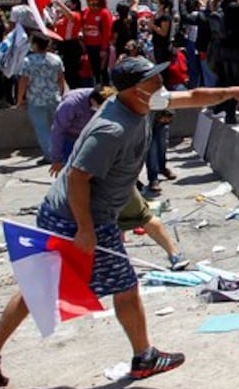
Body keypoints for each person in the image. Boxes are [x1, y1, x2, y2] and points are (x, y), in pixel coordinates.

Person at [0, 57, 239, 388]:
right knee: (124, 286)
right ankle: (144, 357)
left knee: (40, 287)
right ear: (134, 89)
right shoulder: (111, 129)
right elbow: (77, 177)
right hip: (80, 217)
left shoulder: (140, 102)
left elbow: (192, 96)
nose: (161, 85)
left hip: (68, 214)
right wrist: (85, 229)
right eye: (153, 80)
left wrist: (234, 91)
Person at [49, 85, 187, 270]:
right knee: (130, 219)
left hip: (112, 183)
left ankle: (173, 254)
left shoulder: (114, 124)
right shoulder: (92, 111)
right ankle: (163, 254)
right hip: (106, 183)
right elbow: (61, 135)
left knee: (140, 216)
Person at [16, 33, 66, 164]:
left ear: (36, 45)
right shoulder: (55, 59)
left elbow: (23, 81)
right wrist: (61, 93)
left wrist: (20, 99)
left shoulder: (28, 61)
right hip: (54, 97)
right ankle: (61, 152)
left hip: (36, 99)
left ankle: (50, 156)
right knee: (58, 127)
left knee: (42, 129)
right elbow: (61, 78)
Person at [81, 0, 113, 85]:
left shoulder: (104, 13)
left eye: (92, 0)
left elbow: (107, 32)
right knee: (94, 70)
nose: (90, 2)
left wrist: (104, 49)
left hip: (100, 46)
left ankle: (106, 89)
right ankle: (97, 87)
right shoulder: (86, 11)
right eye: (88, 0)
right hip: (89, 45)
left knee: (102, 70)